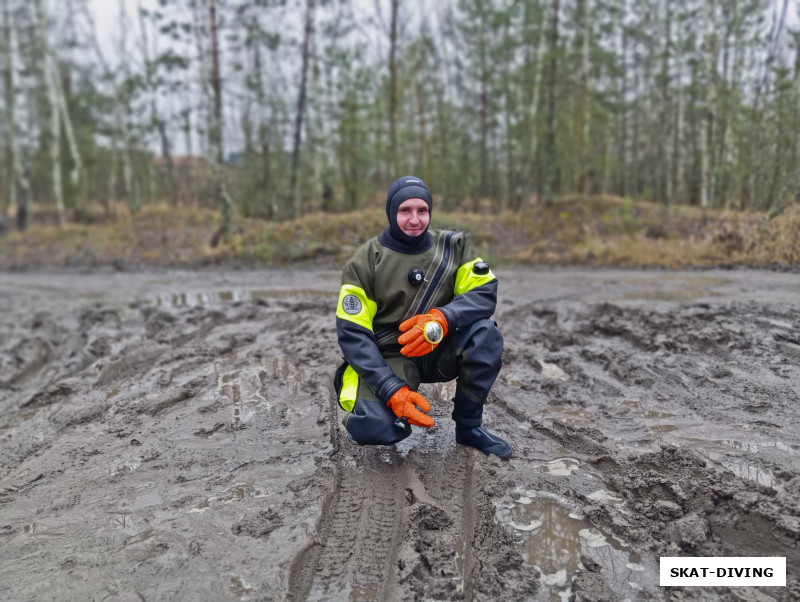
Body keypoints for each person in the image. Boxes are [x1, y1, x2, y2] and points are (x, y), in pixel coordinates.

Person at [333, 176, 511, 458]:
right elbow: (353, 333)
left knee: (485, 335)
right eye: (405, 210)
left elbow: (484, 292)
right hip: (391, 357)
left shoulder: (455, 247)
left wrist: (444, 317)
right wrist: (391, 389)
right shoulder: (365, 260)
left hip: (439, 349)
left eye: (422, 210)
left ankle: (469, 428)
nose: (414, 219)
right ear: (391, 211)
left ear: (430, 211)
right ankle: (366, 413)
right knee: (377, 429)